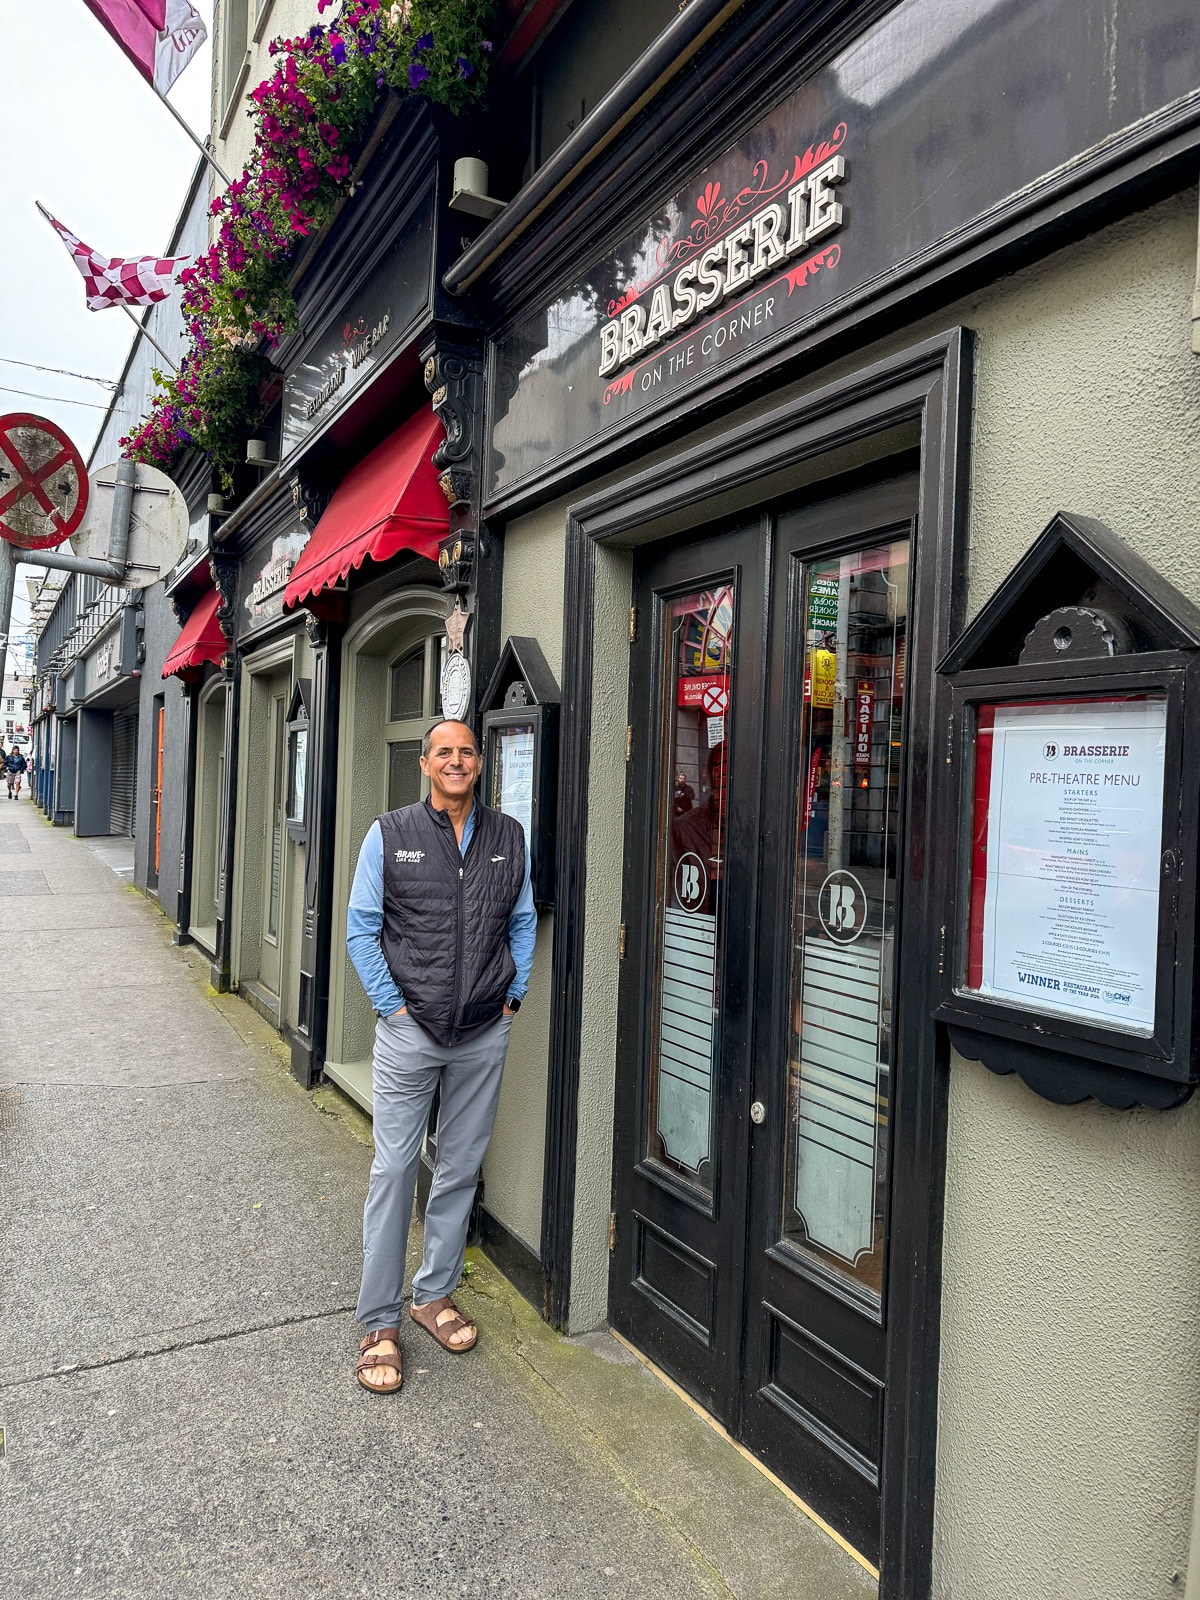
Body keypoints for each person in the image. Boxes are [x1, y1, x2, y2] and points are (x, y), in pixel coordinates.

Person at [345, 717, 536, 1395]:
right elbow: (361, 930)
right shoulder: (390, 835)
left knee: (458, 1169)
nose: (456, 761)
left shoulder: (508, 838)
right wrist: (394, 1010)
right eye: (443, 753)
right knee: (396, 1168)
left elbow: (522, 920)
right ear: (425, 765)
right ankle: (378, 1321)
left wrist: (512, 999)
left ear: (480, 765)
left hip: (483, 1030)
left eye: (466, 752)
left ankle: (432, 1295)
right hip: (411, 1033)